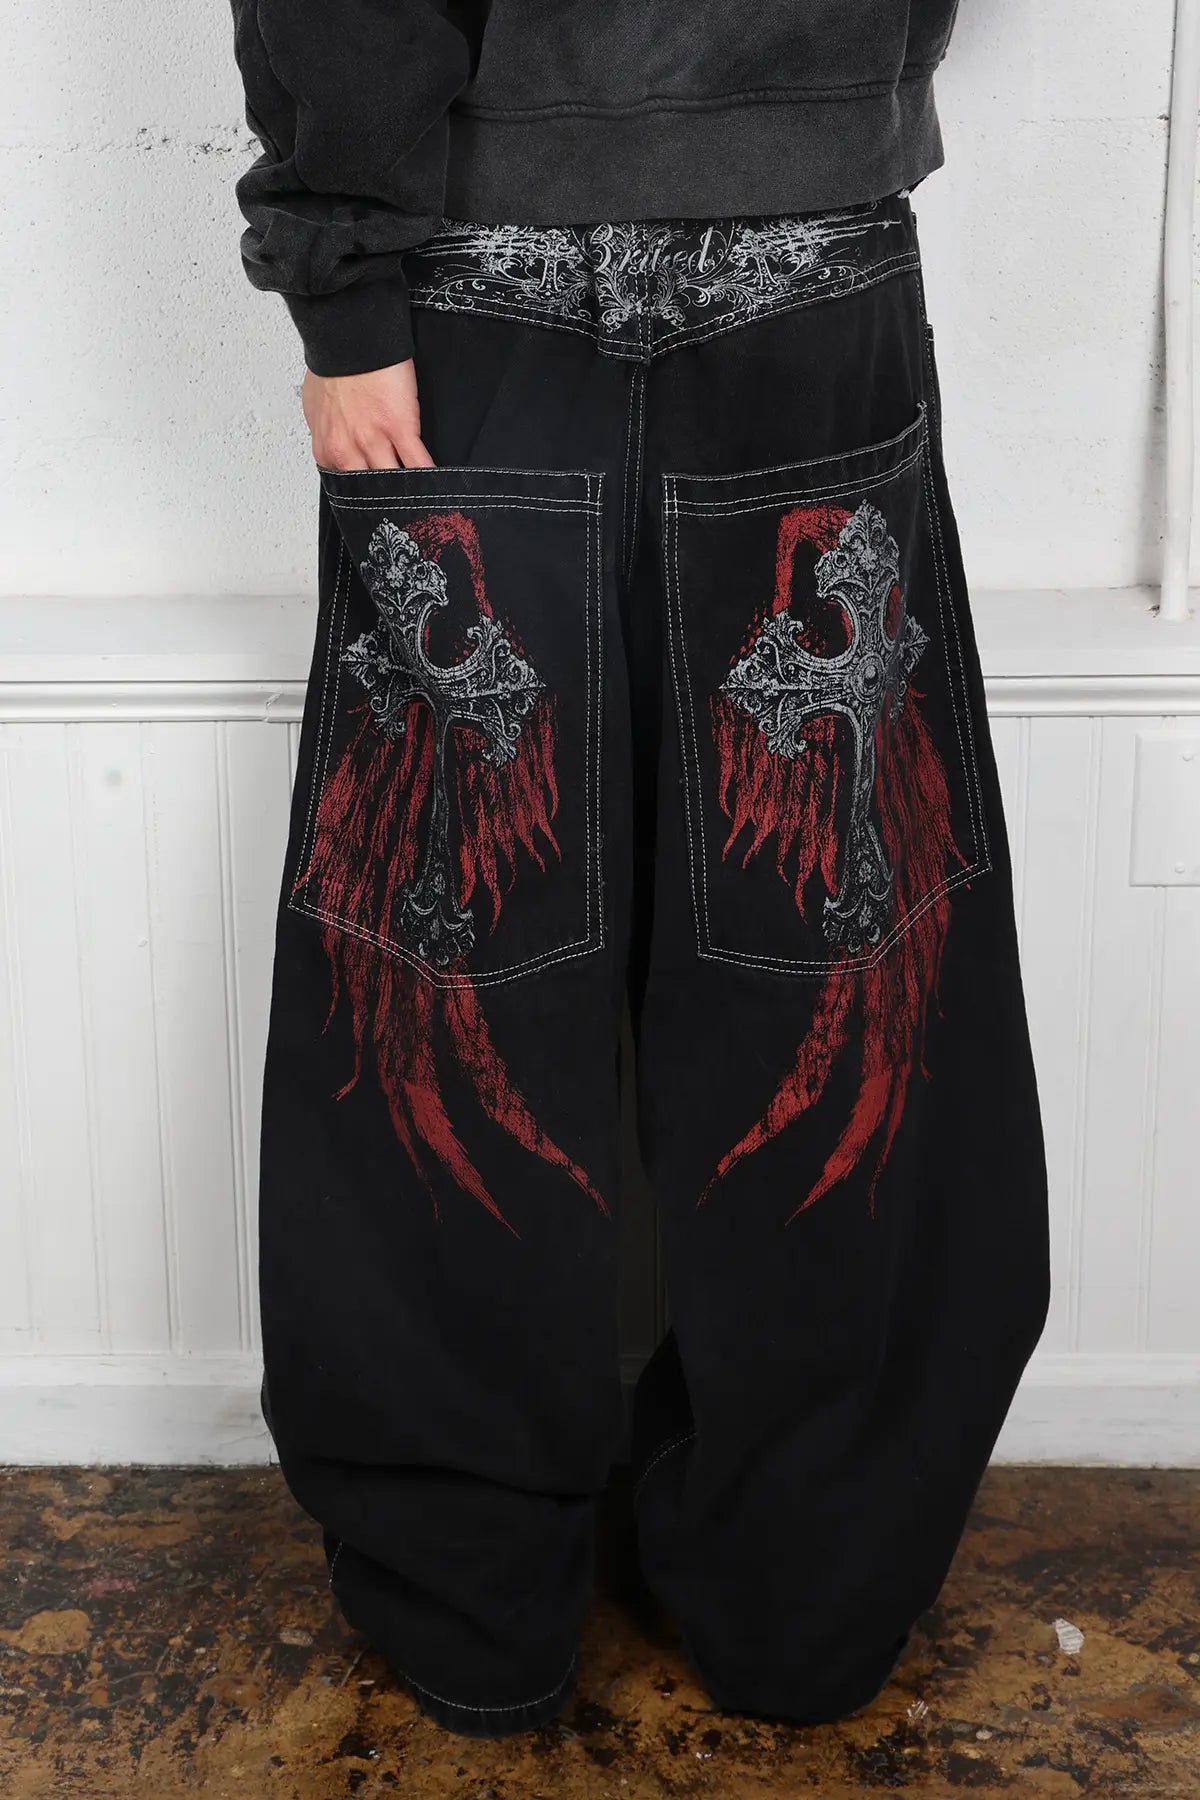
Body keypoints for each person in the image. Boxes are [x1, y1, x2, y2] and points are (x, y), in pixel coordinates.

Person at [229, 0, 1051, 1739]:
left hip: (475, 269)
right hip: (801, 249)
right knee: (827, 961)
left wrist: (344, 278)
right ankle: (804, 1596)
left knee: (455, 978)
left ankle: (476, 1606)